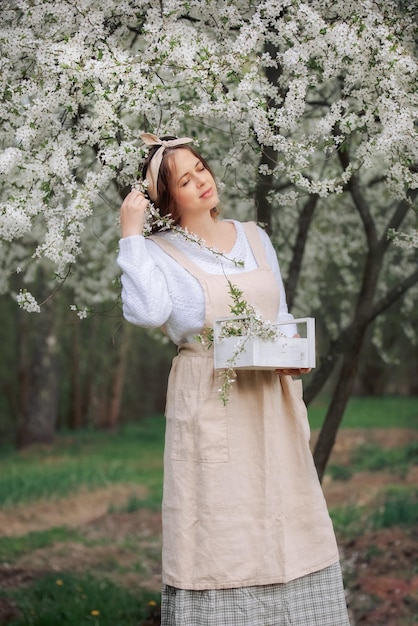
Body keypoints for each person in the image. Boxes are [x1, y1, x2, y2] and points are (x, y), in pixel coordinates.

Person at [117, 133, 351, 626]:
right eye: (184, 179)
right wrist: (130, 233)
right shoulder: (156, 251)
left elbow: (280, 313)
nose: (201, 181)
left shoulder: (254, 236)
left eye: (200, 168)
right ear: (167, 198)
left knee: (286, 518)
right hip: (210, 401)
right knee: (220, 526)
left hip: (271, 400)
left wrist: (292, 355)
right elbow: (147, 311)